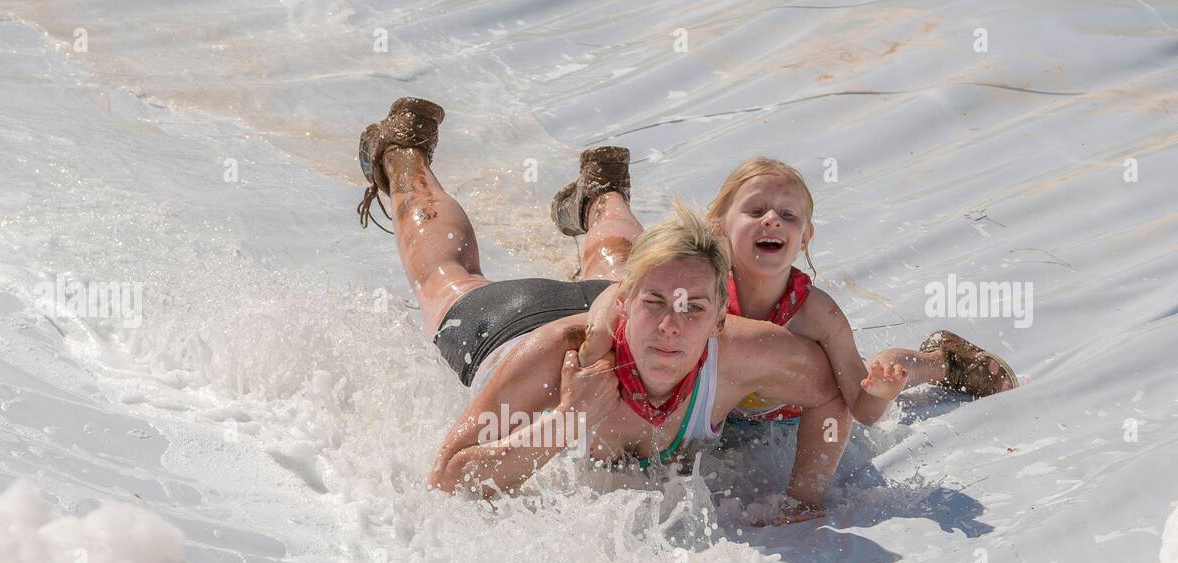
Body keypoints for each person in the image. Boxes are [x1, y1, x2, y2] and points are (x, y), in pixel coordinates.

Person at [356, 99, 906, 518]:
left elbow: (831, 396)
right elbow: (448, 481)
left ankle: (600, 192)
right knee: (446, 277)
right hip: (512, 322)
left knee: (619, 258)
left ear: (720, 321)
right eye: (655, 305)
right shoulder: (562, 360)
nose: (670, 327)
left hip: (621, 287)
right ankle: (402, 157)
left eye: (693, 310)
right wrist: (566, 420)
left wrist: (803, 503)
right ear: (624, 304)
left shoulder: (738, 351)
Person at [553, 152, 1017, 425]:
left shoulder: (817, 316)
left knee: (881, 369)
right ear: (718, 226)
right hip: (708, 407)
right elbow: (610, 301)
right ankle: (602, 193)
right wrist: (597, 334)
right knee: (613, 260)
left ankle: (941, 361)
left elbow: (860, 408)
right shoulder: (694, 289)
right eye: (756, 212)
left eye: (788, 217)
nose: (772, 220)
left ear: (804, 239)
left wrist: (879, 391)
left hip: (755, 416)